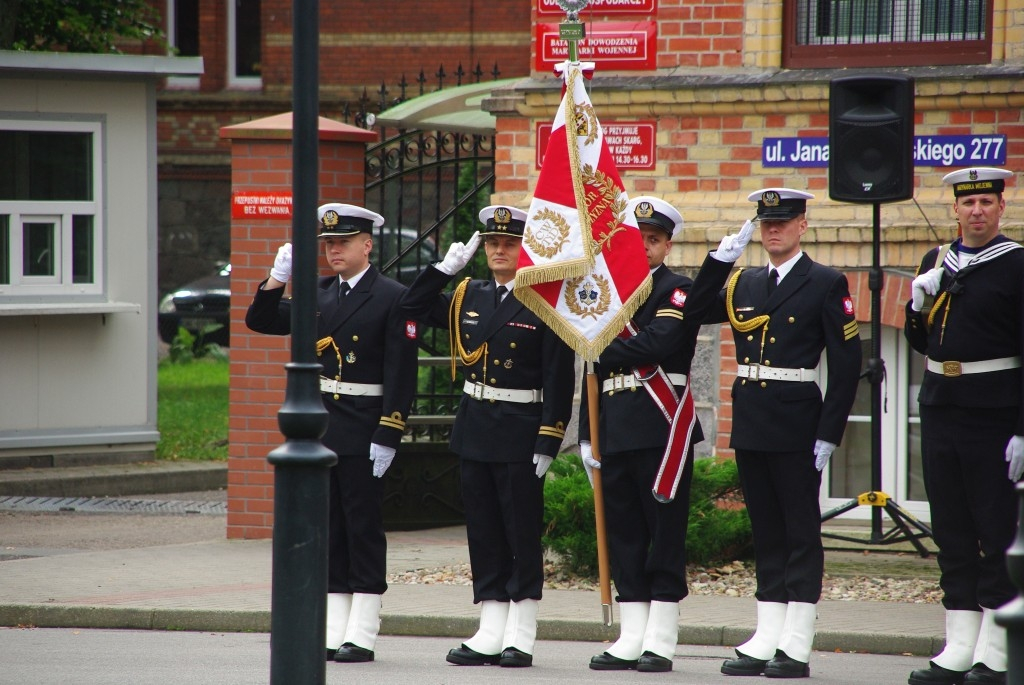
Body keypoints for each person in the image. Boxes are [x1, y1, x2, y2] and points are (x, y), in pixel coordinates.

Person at [578, 197, 756, 673]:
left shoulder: (677, 291)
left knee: (663, 533)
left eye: (652, 241)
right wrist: (584, 433)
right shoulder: (606, 295)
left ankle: (661, 636)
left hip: (661, 427)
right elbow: (590, 371)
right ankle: (631, 635)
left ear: (666, 245)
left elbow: (661, 343)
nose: (644, 248)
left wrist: (603, 347)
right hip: (614, 426)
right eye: (635, 241)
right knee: (626, 535)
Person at [399, 205, 576, 669]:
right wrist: (441, 270)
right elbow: (409, 308)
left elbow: (560, 375)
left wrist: (550, 436)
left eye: (510, 243)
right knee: (483, 532)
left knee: (520, 531)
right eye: (493, 243)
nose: (500, 250)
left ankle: (523, 631)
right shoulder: (467, 295)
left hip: (520, 429)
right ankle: (490, 627)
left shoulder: (544, 299)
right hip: (475, 426)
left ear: (525, 250)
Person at [244, 202, 419, 664]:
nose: (333, 251)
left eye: (342, 243)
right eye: (327, 244)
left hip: (365, 424)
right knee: (330, 529)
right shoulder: (318, 293)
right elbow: (259, 321)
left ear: (367, 244)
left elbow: (402, 374)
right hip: (323, 425)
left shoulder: (392, 295)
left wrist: (390, 430)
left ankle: (363, 629)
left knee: (362, 527)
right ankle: (333, 625)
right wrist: (277, 277)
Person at [710, 188, 862, 679]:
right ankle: (766, 634)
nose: (772, 229)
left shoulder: (824, 281)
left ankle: (796, 641)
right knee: (766, 531)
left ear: (802, 225)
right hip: (753, 421)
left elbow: (846, 365)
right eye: (765, 222)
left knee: (799, 532)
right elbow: (692, 311)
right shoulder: (745, 282)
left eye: (784, 220)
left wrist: (829, 433)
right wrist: (719, 262)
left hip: (798, 422)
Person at [904, 167, 1022, 685]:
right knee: (951, 527)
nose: (976, 211)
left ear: (1001, 207)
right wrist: (917, 302)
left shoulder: (1017, 264)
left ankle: (996, 647)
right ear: (954, 208)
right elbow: (920, 341)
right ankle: (959, 642)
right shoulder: (937, 261)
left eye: (986, 202)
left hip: (995, 411)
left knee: (995, 529)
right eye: (968, 202)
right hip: (941, 404)